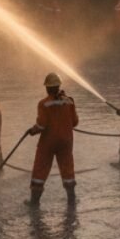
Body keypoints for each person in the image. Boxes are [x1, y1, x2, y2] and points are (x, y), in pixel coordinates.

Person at [26, 72, 79, 206]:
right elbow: (75, 122)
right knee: (67, 168)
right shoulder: (69, 101)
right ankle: (71, 199)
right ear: (59, 85)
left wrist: (33, 130)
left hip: (48, 143)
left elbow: (42, 125)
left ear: (47, 88)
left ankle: (34, 201)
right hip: (66, 141)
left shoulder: (44, 104)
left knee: (40, 168)